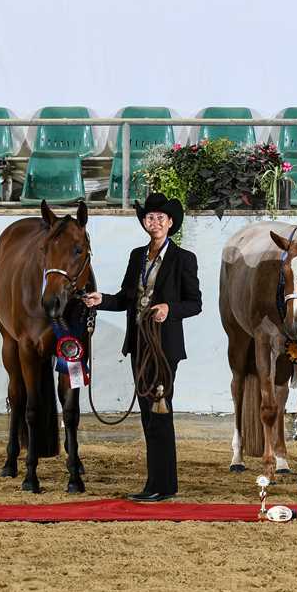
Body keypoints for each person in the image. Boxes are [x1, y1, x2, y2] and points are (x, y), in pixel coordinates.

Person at [83, 193, 201, 502]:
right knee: (149, 414)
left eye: (161, 218)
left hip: (163, 347)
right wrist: (102, 300)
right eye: (150, 217)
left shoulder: (183, 259)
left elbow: (195, 303)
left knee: (159, 411)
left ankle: (161, 485)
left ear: (170, 223)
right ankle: (158, 483)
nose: (155, 222)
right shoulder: (137, 256)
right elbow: (126, 297)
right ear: (144, 222)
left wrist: (169, 309)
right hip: (138, 344)